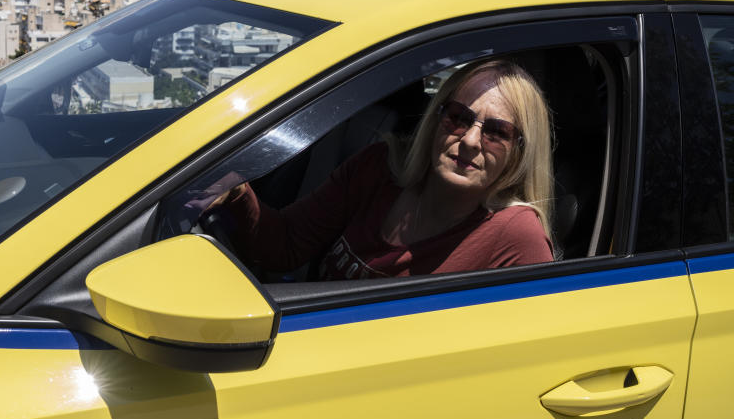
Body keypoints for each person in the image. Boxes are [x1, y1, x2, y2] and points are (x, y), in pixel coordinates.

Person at [204, 59, 555, 280]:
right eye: (458, 118)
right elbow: (284, 245)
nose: (471, 141)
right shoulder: (379, 168)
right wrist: (234, 190)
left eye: (497, 132)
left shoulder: (516, 235)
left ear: (519, 152)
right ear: (436, 120)